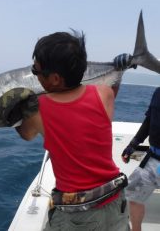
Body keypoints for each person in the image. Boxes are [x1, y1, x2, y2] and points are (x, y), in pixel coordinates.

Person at [15, 31, 129, 231]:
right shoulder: (104, 94)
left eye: (36, 71)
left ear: (55, 78)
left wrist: (15, 116)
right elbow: (110, 94)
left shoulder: (38, 110)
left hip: (77, 214)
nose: (35, 75)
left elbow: (27, 134)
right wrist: (118, 71)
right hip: (116, 202)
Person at [121, 87, 160, 231]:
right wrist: (132, 145)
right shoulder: (158, 92)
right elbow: (149, 121)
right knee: (133, 195)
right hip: (153, 160)